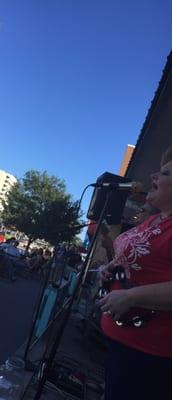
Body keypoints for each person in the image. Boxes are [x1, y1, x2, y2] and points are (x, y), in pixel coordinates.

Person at [97, 147, 172, 400]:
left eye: (164, 172)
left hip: (148, 354)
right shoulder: (154, 220)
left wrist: (131, 297)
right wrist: (113, 268)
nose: (153, 175)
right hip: (121, 341)